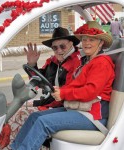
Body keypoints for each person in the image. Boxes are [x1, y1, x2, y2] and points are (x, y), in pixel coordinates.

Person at [11, 21, 115, 150]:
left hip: (92, 116)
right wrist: (60, 90)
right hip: (79, 110)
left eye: (92, 40)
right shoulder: (87, 62)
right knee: (34, 117)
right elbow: (73, 86)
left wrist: (63, 93)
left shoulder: (101, 63)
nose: (87, 43)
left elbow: (91, 91)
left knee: (42, 122)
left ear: (101, 43)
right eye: (84, 39)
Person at [24, 27, 81, 110]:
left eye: (62, 46)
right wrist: (32, 64)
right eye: (55, 48)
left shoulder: (77, 63)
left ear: (71, 44)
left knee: (17, 114)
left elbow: (64, 94)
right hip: (50, 102)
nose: (59, 50)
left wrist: (36, 103)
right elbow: (39, 79)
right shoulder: (53, 61)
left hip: (64, 107)